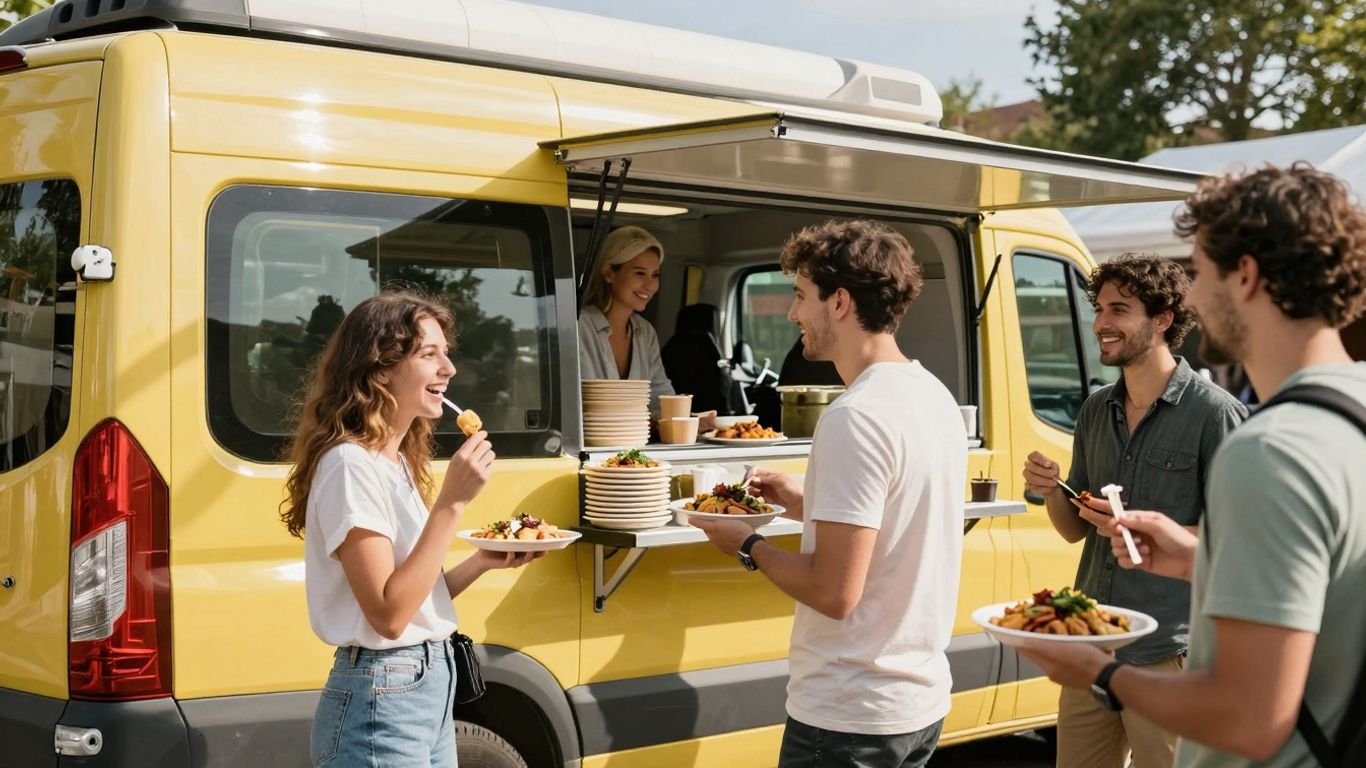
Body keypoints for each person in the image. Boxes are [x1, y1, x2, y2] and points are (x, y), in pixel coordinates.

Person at [1020, 164, 1366, 767]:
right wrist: (1198, 554)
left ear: (1247, 276)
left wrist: (1099, 671)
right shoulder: (1348, 414)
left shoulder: (1270, 447)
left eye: (1201, 272)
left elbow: (1249, 719)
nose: (1197, 298)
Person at [691, 219, 967, 768]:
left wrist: (747, 545)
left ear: (839, 302)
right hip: (917, 702)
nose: (793, 313)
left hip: (849, 715)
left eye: (800, 295)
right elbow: (894, 520)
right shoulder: (933, 395)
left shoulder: (854, 418)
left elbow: (835, 593)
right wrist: (808, 500)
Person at [279, 291, 539, 767]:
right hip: (385, 694)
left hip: (423, 686)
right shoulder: (348, 465)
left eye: (446, 352)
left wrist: (480, 562)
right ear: (380, 369)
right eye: (429, 354)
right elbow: (388, 615)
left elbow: (412, 597)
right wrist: (452, 503)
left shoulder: (393, 461)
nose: (449, 368)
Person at [1021, 254, 1246, 768]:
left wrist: (1148, 531)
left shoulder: (1216, 414)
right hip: (1092, 641)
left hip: (1170, 653)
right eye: (1099, 309)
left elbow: (1237, 544)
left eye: (1118, 310)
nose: (1101, 324)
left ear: (1163, 319)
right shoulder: (1096, 409)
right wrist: (1052, 489)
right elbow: (1074, 532)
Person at [577, 226, 677, 420]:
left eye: (655, 275)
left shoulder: (645, 332)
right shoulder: (578, 325)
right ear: (609, 273)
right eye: (640, 273)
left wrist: (690, 420)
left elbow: (659, 395)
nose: (650, 285)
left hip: (634, 446)